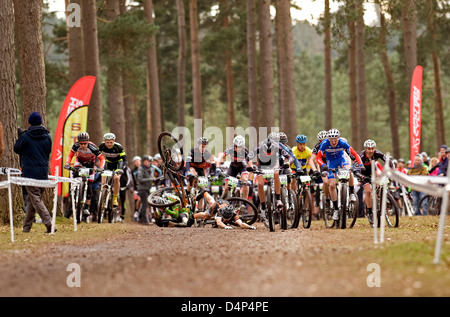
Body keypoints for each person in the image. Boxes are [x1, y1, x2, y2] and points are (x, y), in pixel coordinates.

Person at [243, 133, 302, 219]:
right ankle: (263, 207)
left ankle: (278, 199)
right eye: (267, 152)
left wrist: (288, 163)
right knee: (260, 184)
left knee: (276, 173)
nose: (268, 153)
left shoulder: (278, 146)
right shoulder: (259, 146)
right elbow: (246, 159)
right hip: (263, 165)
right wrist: (247, 166)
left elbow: (290, 157)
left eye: (270, 152)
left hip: (274, 164)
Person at [14, 112, 53, 233]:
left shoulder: (25, 136)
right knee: (32, 200)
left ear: (29, 123)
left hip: (29, 172)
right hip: (43, 172)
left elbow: (16, 149)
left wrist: (20, 137)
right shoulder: (47, 136)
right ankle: (26, 228)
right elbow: (48, 151)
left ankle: (49, 223)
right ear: (41, 122)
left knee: (35, 199)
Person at [316, 129, 364, 221]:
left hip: (341, 159)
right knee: (332, 185)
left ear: (338, 138)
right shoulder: (324, 144)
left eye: (335, 140)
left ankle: (351, 192)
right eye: (331, 140)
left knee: (348, 170)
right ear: (328, 139)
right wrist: (323, 165)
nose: (333, 142)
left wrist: (361, 165)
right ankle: (335, 209)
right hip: (331, 163)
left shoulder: (342, 142)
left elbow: (355, 154)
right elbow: (318, 158)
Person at [64, 132, 105, 222]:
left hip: (90, 164)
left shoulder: (92, 147)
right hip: (80, 162)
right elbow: (70, 155)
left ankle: (86, 207)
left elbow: (102, 158)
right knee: (75, 174)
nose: (83, 146)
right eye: (81, 144)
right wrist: (67, 163)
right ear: (78, 142)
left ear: (88, 142)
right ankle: (73, 190)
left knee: (90, 186)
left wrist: (101, 167)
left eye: (85, 143)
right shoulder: (75, 145)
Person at [358, 139, 394, 219]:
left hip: (373, 170)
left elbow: (388, 160)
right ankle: (370, 212)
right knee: (368, 191)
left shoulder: (377, 153)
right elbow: (356, 168)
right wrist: (361, 177)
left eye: (372, 148)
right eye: (368, 149)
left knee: (379, 174)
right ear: (365, 149)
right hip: (363, 173)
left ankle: (379, 193)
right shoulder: (361, 156)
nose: (371, 150)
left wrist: (391, 170)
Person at [216, 135, 253, 200]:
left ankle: (244, 202)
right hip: (233, 167)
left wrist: (250, 180)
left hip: (242, 168)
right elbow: (220, 156)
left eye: (240, 147)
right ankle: (222, 201)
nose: (238, 148)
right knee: (226, 187)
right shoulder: (230, 149)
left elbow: (251, 165)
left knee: (245, 181)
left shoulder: (245, 151)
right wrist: (218, 166)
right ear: (234, 145)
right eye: (236, 146)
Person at [98, 133, 127, 208]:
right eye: (107, 142)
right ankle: (103, 198)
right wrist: (97, 165)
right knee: (103, 182)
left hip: (118, 164)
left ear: (114, 141)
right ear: (104, 141)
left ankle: (115, 198)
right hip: (108, 163)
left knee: (116, 178)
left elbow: (125, 160)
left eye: (111, 142)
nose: (109, 144)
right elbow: (96, 156)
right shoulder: (102, 146)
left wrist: (122, 169)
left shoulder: (118, 147)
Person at [137, 155, 159, 224]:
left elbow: (152, 177)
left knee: (146, 204)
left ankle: (140, 217)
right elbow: (140, 179)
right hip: (142, 188)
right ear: (143, 162)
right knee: (145, 204)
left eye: (149, 161)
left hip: (148, 188)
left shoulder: (151, 169)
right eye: (146, 161)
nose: (148, 163)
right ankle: (145, 220)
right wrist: (150, 179)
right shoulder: (141, 169)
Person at [131, 156, 142, 221]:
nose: (137, 163)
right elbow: (132, 180)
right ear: (134, 163)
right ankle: (136, 214)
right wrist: (132, 188)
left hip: (143, 188)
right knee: (136, 201)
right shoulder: (133, 171)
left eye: (138, 161)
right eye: (136, 162)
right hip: (136, 188)